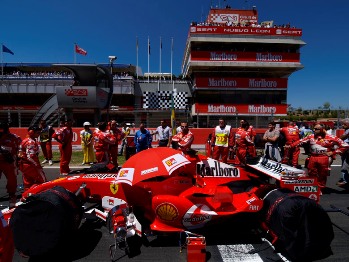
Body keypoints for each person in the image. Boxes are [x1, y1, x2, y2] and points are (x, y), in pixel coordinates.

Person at [288, 123, 349, 191]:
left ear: (322, 130)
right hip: (313, 157)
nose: (314, 130)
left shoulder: (331, 137)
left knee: (322, 174)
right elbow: (300, 141)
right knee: (311, 173)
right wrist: (290, 146)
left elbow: (345, 145)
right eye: (313, 129)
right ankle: (313, 188)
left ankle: (320, 189)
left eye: (316, 129)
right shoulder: (310, 136)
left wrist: (333, 152)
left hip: (324, 158)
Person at [18, 126, 47, 191]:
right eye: (37, 133)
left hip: (23, 164)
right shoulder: (31, 142)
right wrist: (37, 165)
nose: (39, 134)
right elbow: (31, 156)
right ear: (31, 132)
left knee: (28, 182)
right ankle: (42, 194)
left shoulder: (25, 140)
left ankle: (27, 195)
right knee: (42, 180)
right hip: (30, 165)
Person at [0, 122, 21, 208]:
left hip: (9, 162)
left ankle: (12, 195)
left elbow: (21, 148)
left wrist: (19, 157)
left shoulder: (14, 137)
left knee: (12, 179)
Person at [337, 118, 349, 188]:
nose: (342, 126)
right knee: (344, 165)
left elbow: (341, 138)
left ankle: (346, 180)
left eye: (344, 124)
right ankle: (345, 179)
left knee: (345, 166)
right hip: (345, 150)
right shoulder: (346, 130)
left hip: (347, 151)